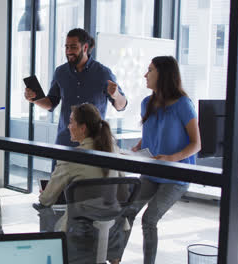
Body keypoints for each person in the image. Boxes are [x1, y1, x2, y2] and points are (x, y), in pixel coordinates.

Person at [120, 56, 201, 264]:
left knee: (149, 219)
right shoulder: (146, 103)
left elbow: (196, 144)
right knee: (127, 212)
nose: (145, 75)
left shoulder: (183, 104)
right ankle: (114, 259)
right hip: (151, 172)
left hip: (176, 176)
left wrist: (172, 158)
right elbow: (156, 130)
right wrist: (140, 145)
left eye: (150, 70)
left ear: (163, 75)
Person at [38, 103, 126, 264]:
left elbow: (46, 199)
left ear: (82, 128)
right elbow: (124, 192)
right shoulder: (114, 150)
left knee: (46, 215)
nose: (68, 126)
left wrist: (44, 196)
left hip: (79, 235)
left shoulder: (72, 157)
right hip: (114, 232)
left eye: (71, 122)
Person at [24, 28, 127, 152]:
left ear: (85, 48)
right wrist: (34, 99)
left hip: (93, 144)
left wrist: (116, 95)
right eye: (66, 47)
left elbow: (122, 106)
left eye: (73, 47)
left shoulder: (103, 73)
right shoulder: (60, 72)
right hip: (64, 141)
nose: (68, 51)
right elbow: (50, 103)